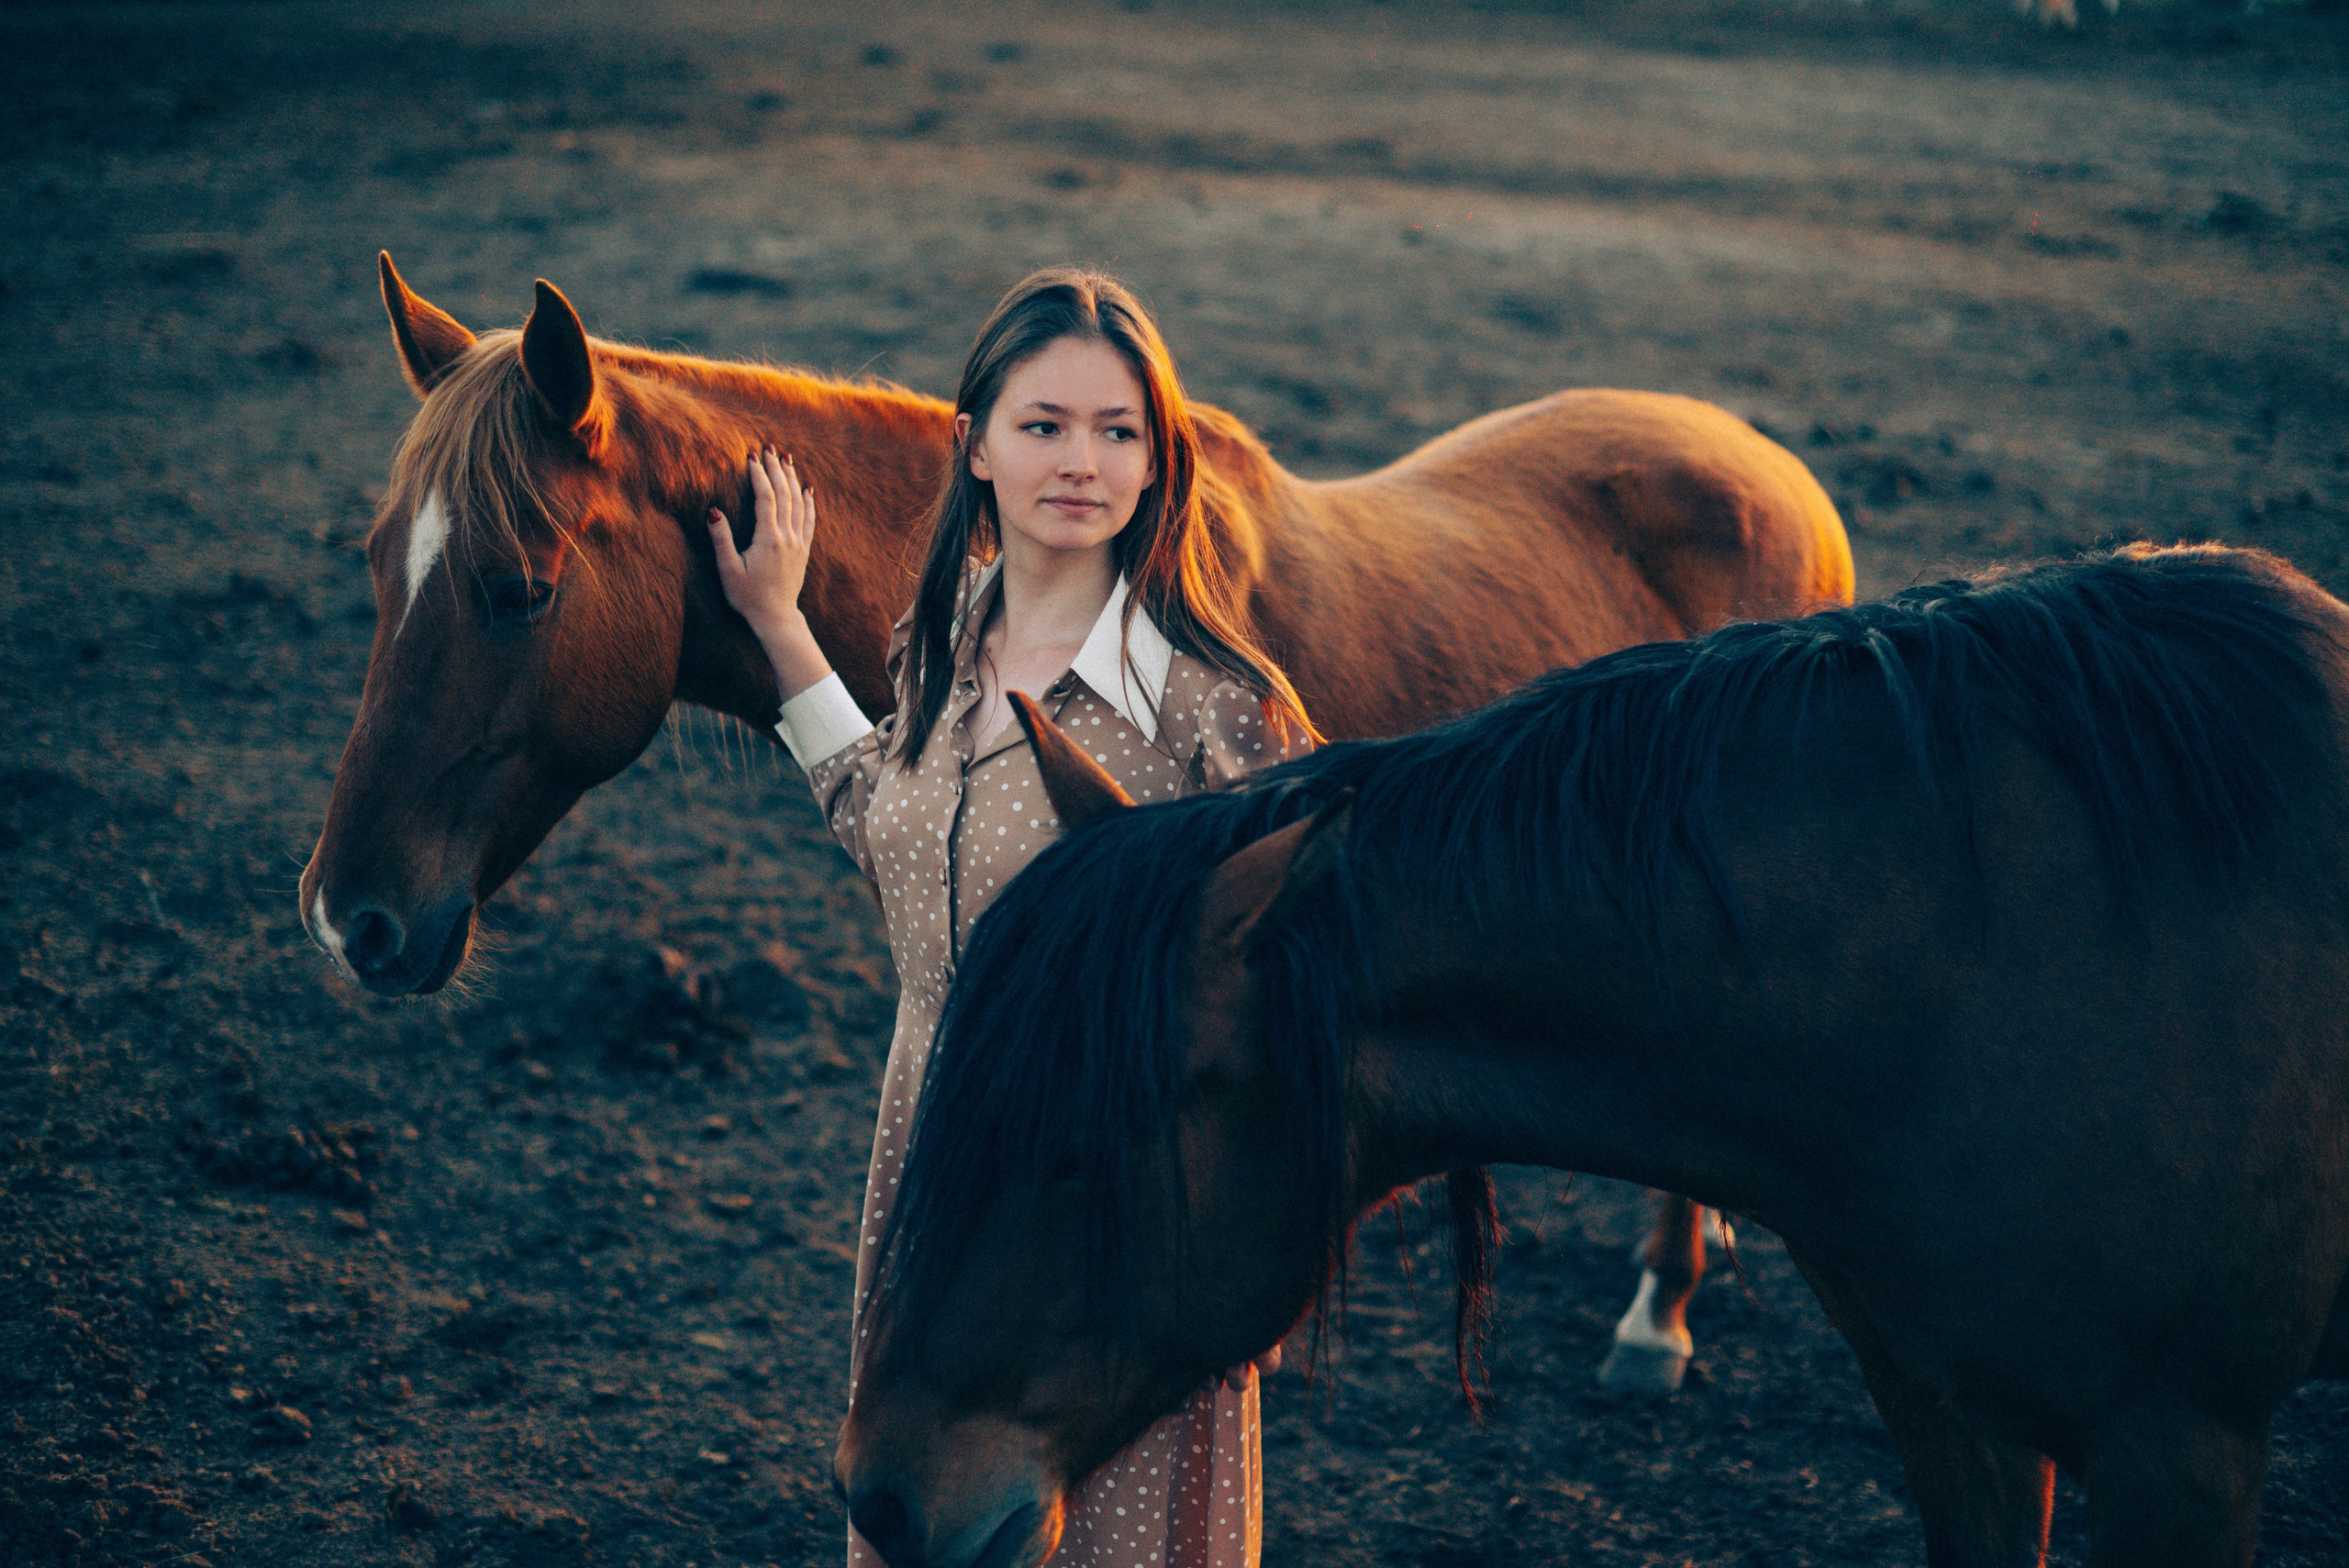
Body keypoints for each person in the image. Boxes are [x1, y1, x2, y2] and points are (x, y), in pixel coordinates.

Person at [707, 267, 1318, 1568]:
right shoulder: (942, 638)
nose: (1081, 462)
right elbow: (886, 814)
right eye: (1044, 425)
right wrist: (776, 621)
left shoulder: (1215, 714)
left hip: (1102, 1224)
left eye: (1118, 431)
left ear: (1160, 462)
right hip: (930, 1160)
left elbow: (1304, 1002)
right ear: (975, 444)